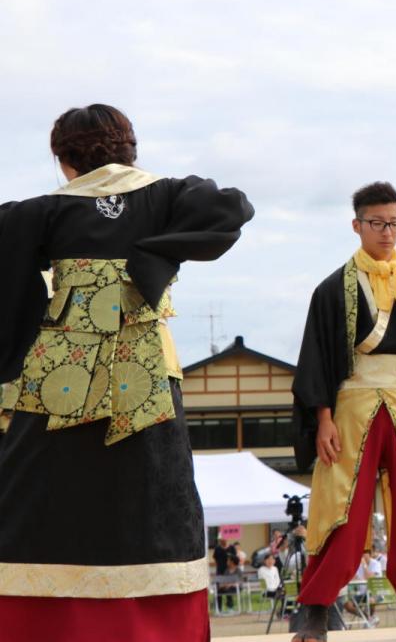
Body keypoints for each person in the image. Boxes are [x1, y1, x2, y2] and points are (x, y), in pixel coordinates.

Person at [0, 104, 254, 642]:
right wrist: (150, 260)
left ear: (64, 160)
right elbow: (229, 208)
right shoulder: (169, 195)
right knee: (154, 495)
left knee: (40, 497)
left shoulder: (40, 211)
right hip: (149, 369)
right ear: (129, 149)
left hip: (55, 375)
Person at [290, 181, 396, 642]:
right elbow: (316, 356)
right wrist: (322, 419)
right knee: (339, 507)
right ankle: (316, 613)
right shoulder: (330, 290)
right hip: (350, 407)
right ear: (357, 225)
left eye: (394, 223)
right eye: (377, 223)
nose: (387, 232)